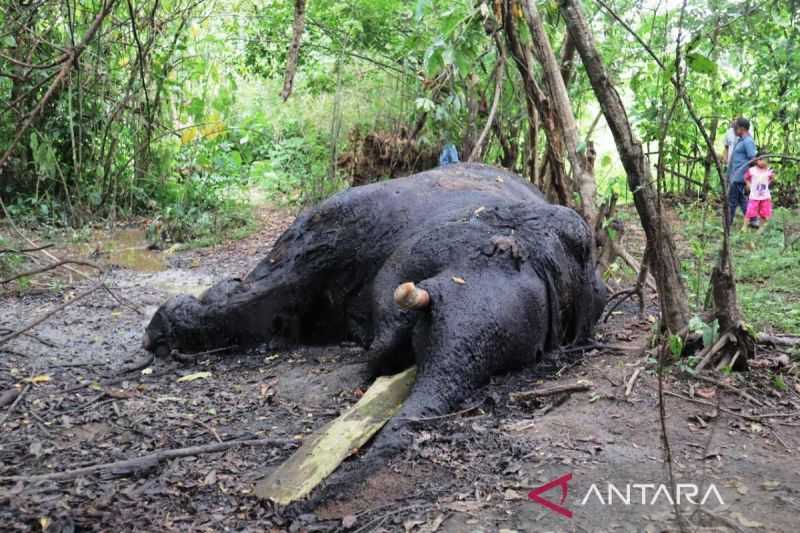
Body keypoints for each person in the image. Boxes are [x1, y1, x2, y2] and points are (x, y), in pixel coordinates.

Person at [727, 117, 757, 225]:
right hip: (735, 176)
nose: (734, 129)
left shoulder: (748, 141)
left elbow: (753, 159)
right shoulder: (741, 140)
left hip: (739, 177)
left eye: (736, 127)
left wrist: (749, 179)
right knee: (741, 200)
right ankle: (753, 220)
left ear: (742, 128)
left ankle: (727, 224)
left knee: (732, 201)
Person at [743, 152, 775, 233]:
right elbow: (746, 177)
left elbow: (771, 179)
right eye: (761, 160)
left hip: (765, 196)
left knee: (764, 214)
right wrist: (749, 185)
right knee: (749, 212)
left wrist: (770, 181)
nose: (763, 162)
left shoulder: (769, 170)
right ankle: (745, 226)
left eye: (765, 160)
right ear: (757, 160)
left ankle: (761, 229)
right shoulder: (752, 170)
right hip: (754, 196)